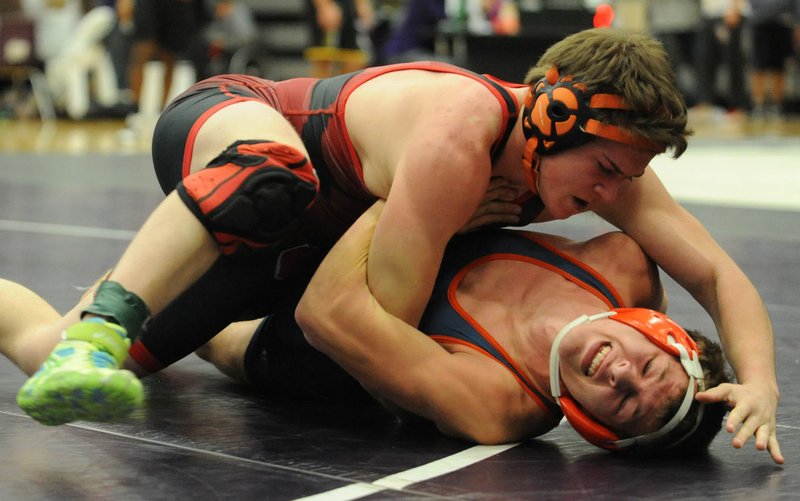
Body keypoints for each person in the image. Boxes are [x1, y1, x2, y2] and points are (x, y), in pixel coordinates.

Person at [15, 28, 781, 463]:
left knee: (40, 348)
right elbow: (382, 308)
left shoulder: (596, 168)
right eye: (605, 170)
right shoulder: (459, 140)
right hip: (240, 128)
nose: (611, 196)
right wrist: (434, 210)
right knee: (275, 178)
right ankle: (105, 322)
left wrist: (761, 383)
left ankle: (90, 329)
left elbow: (714, 272)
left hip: (300, 255)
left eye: (628, 176)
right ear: (548, 116)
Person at [0, 210, 731, 456]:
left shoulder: (495, 405)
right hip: (352, 234)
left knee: (71, 341)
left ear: (594, 427)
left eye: (626, 404)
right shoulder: (621, 262)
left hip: (308, 341)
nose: (620, 375)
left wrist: (419, 183)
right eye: (648, 367)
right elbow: (718, 274)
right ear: (657, 329)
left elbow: (327, 311)